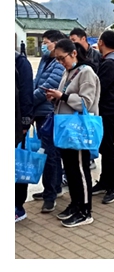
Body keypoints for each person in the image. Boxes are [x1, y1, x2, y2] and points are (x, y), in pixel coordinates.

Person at [43, 38, 100, 227]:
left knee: (80, 170)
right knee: (70, 169)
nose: (61, 62)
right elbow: (65, 97)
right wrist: (55, 97)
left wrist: (63, 96)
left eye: (62, 58)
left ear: (74, 53)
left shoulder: (86, 72)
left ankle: (85, 211)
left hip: (78, 130)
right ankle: (75, 204)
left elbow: (86, 102)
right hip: (67, 129)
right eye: (57, 59)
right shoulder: (68, 72)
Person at [29, 30, 65, 213]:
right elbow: (37, 81)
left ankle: (50, 195)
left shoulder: (59, 64)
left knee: (50, 154)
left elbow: (47, 88)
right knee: (49, 153)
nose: (43, 45)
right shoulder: (45, 60)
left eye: (46, 42)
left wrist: (28, 101)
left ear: (56, 43)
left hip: (48, 113)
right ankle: (53, 188)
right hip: (40, 112)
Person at [91, 30, 114, 205]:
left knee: (108, 148)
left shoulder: (111, 63)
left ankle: (113, 187)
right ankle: (105, 181)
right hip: (107, 109)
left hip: (108, 109)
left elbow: (99, 88)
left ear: (102, 42)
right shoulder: (111, 60)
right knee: (105, 147)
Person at [15, 49, 35, 222]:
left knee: (18, 162)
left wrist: (25, 122)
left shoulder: (19, 62)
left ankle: (18, 206)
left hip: (16, 122)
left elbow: (26, 93)